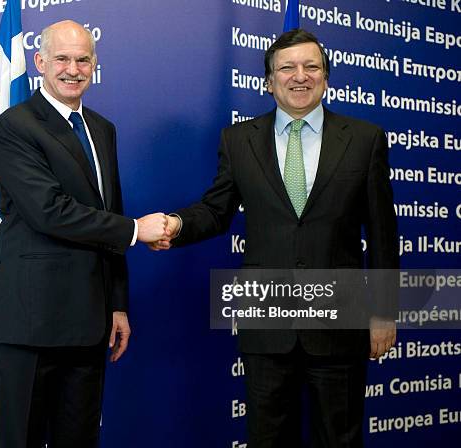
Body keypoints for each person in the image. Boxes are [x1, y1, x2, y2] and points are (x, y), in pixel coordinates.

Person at [152, 29, 398, 447]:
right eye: (287, 67)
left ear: (325, 77)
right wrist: (178, 224)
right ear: (269, 81)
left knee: (340, 438)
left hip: (341, 324)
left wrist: (383, 312)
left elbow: (381, 232)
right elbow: (216, 210)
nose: (299, 76)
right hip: (267, 325)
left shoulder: (364, 139)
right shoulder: (239, 140)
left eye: (311, 67)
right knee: (267, 439)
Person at [0, 20, 168, 448]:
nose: (73, 68)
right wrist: (137, 230)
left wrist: (117, 304)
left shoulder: (102, 128)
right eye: (61, 58)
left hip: (89, 321)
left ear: (94, 65)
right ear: (40, 63)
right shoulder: (14, 126)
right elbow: (49, 211)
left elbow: (107, 213)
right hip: (30, 321)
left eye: (83, 59)